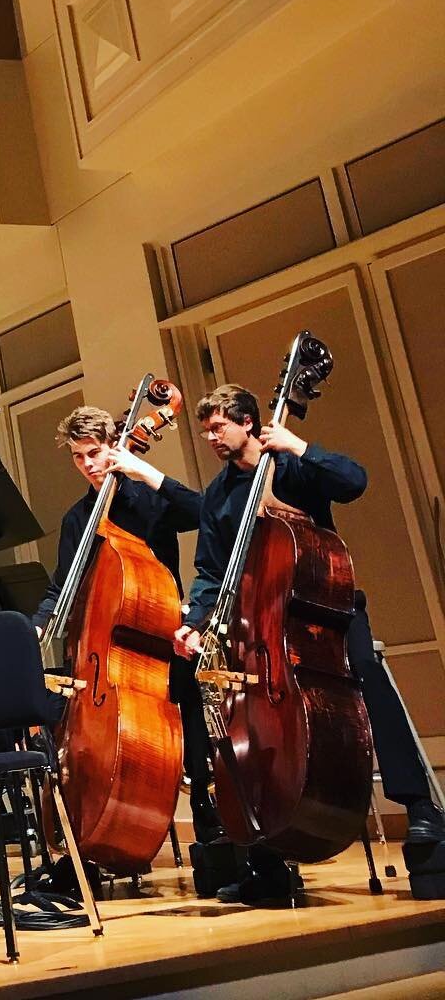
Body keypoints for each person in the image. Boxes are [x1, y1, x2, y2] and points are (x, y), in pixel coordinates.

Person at [176, 385, 445, 902]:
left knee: (373, 690)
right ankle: (267, 847)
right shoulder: (216, 496)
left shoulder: (292, 469)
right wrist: (196, 618)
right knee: (249, 719)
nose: (211, 436)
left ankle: (421, 811)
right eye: (206, 429)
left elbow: (354, 481)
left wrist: (300, 446)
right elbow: (212, 570)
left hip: (328, 610)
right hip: (263, 624)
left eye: (219, 427)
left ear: (250, 422)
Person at [34, 403, 218, 852]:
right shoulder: (78, 518)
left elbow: (204, 513)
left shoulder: (149, 498)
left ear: (113, 446)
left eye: (94, 452)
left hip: (164, 639)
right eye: (79, 457)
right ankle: (101, 837)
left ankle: (212, 839)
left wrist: (144, 470)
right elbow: (64, 585)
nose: (89, 464)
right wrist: (39, 624)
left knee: (194, 741)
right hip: (105, 655)